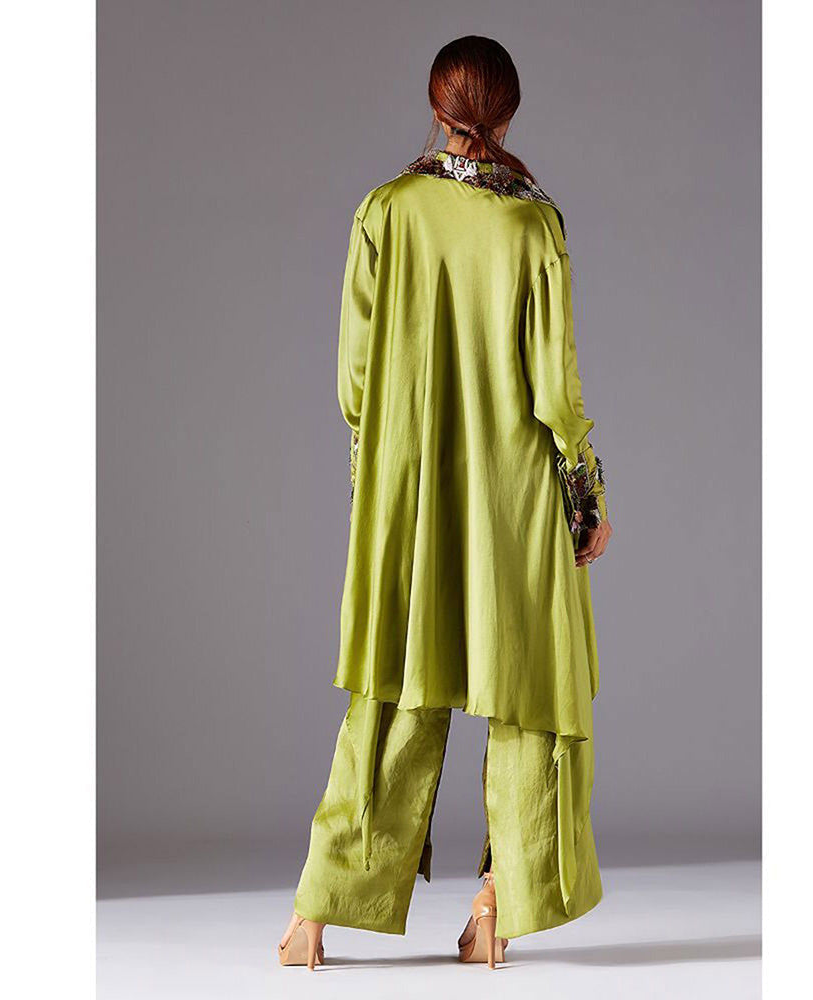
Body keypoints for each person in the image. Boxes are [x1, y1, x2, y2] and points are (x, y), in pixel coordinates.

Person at [278, 35, 612, 970]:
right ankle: (496, 910)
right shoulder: (533, 225)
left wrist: (381, 483)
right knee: (528, 696)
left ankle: (312, 919)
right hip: (513, 502)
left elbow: (355, 383)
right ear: (508, 113)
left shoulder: (384, 212)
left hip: (408, 495)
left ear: (437, 108)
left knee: (394, 693)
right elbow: (556, 393)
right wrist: (585, 498)